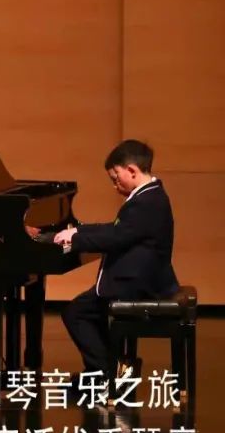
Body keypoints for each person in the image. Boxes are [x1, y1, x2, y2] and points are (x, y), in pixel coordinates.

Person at [54, 140, 179, 377]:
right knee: (89, 310)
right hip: (142, 279)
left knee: (76, 313)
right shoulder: (149, 196)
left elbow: (116, 237)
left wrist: (76, 239)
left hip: (139, 285)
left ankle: (104, 372)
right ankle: (111, 369)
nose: (114, 185)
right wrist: (79, 231)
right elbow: (117, 229)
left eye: (115, 178)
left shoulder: (147, 202)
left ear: (131, 170)